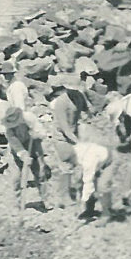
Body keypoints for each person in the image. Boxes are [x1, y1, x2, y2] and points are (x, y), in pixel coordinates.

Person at [47, 76, 89, 207]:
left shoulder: (79, 97)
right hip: (62, 138)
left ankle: (80, 191)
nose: (74, 92)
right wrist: (79, 143)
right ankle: (63, 196)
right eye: (71, 90)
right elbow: (65, 129)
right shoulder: (61, 103)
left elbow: (88, 112)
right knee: (67, 166)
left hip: (75, 134)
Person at [3, 106, 46, 209]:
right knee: (16, 177)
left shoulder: (29, 118)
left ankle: (47, 201)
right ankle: (18, 203)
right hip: (17, 151)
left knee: (40, 174)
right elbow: (15, 143)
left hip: (34, 145)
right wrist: (23, 155)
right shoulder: (8, 129)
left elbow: (42, 133)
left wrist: (36, 134)